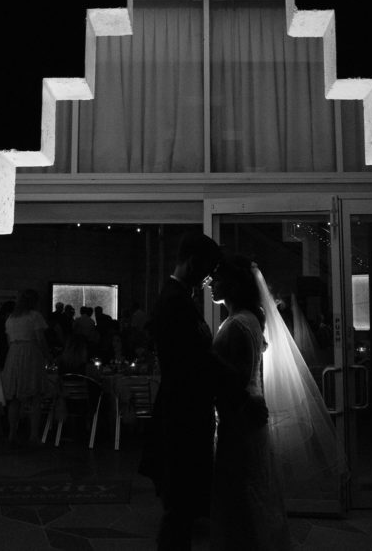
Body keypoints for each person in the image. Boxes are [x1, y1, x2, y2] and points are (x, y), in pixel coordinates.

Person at [138, 232, 224, 551]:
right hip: (183, 416)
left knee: (181, 508)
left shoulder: (178, 297)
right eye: (206, 268)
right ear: (192, 262)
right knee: (180, 509)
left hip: (184, 411)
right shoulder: (174, 302)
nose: (208, 277)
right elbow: (194, 362)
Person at [207, 255, 292, 551]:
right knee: (251, 490)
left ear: (231, 284)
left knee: (240, 494)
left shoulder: (237, 325)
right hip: (248, 416)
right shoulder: (249, 320)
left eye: (216, 279)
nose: (210, 285)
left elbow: (236, 381)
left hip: (239, 420)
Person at [0, 289, 50, 447]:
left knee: (14, 398)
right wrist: (49, 356)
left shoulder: (11, 319)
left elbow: (9, 341)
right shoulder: (35, 316)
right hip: (30, 353)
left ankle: (12, 434)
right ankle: (33, 436)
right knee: (35, 396)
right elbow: (41, 339)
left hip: (13, 355)